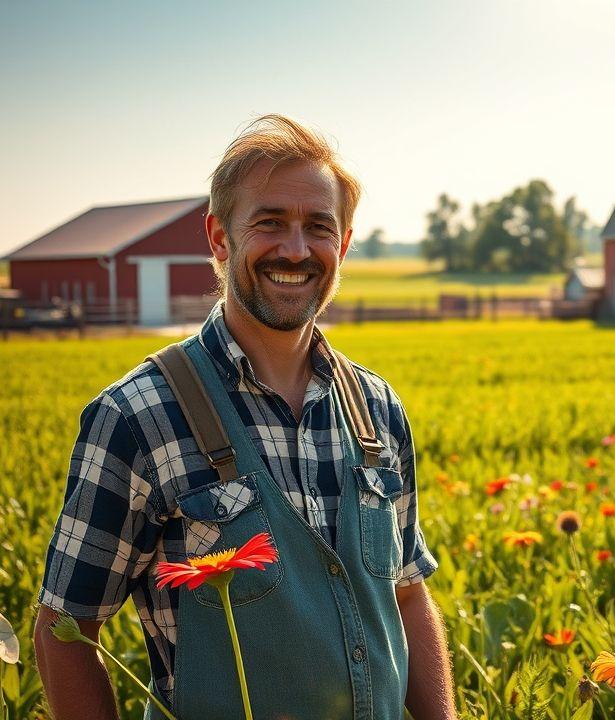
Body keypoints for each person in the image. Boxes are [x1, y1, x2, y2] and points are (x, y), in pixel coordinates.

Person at [33, 114, 456, 719]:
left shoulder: (377, 409)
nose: (295, 249)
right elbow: (64, 631)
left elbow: (408, 596)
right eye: (270, 223)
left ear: (344, 242)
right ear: (218, 237)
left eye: (318, 227)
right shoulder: (138, 416)